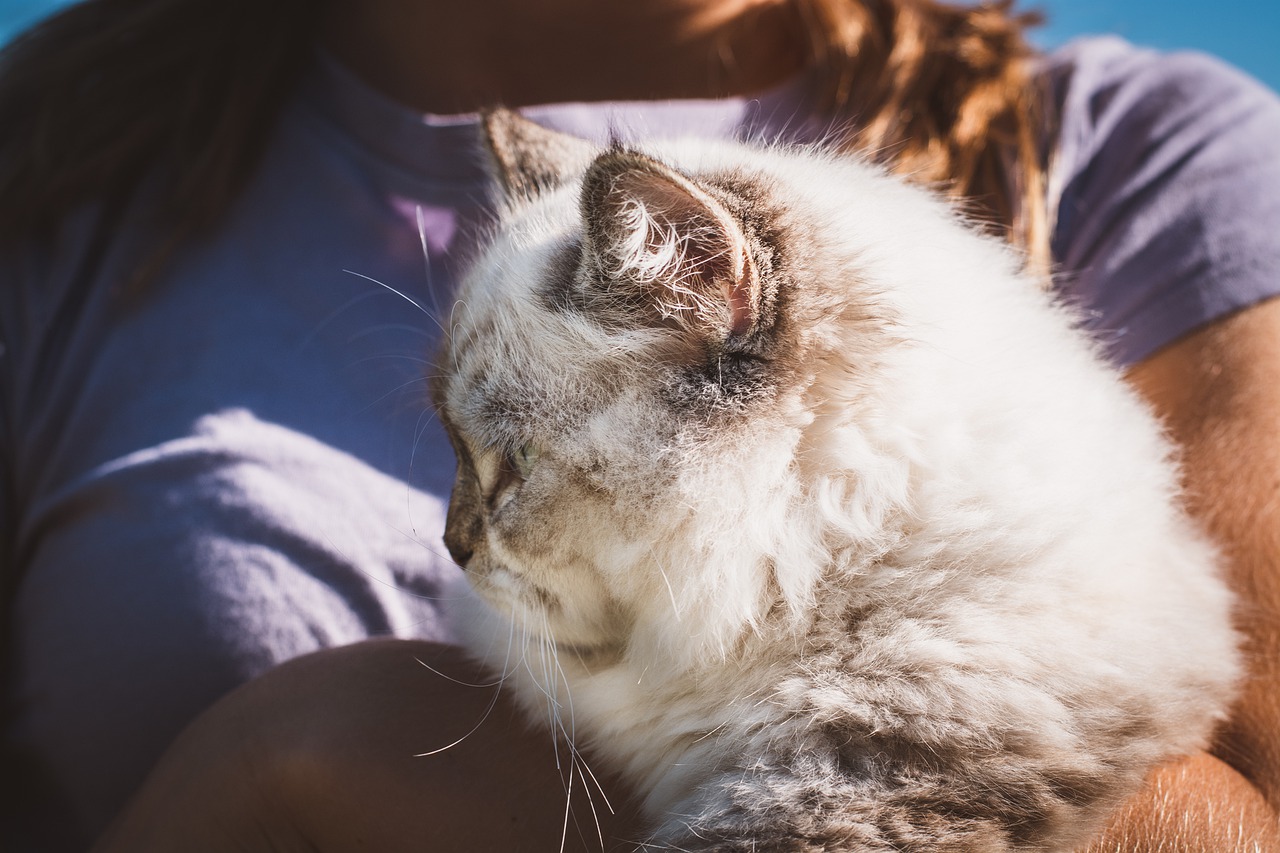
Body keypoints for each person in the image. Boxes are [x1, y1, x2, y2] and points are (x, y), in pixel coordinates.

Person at [0, 0, 1276, 850]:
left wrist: (335, 754)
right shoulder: (56, 172)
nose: (455, 538)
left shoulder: (1149, 159)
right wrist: (241, 773)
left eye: (495, 471)